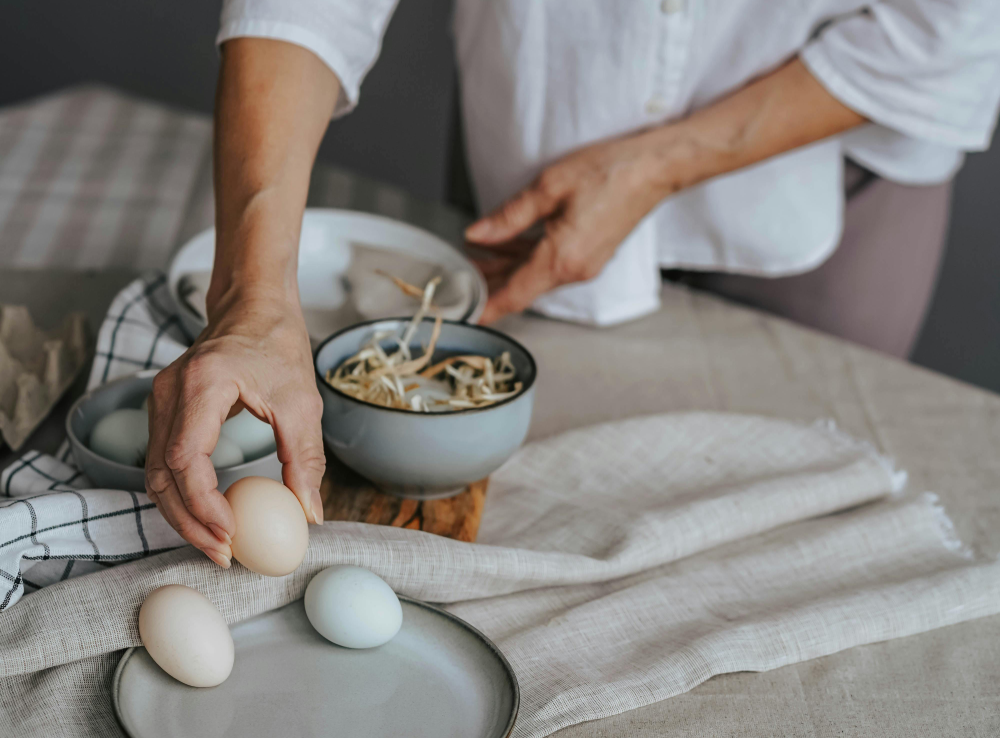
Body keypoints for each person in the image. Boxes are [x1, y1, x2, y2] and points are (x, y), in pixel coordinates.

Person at [144, 0, 1000, 566]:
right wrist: (253, 298)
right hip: (535, 158)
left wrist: (661, 165)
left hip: (822, 174)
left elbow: (951, 23)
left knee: (813, 520)